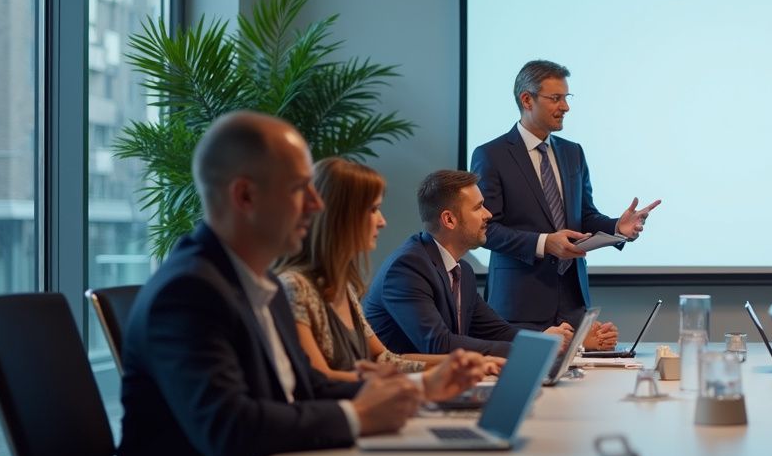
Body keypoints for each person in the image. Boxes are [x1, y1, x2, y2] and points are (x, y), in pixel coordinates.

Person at [114, 112, 487, 456]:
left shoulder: (257, 285)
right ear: (245, 196)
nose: (315, 203)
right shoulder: (189, 292)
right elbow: (231, 430)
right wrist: (357, 417)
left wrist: (412, 390)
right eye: (299, 188)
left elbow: (306, 387)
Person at [470, 59, 659, 349]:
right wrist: (545, 243)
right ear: (527, 100)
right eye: (556, 98)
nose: (566, 107)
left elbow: (583, 216)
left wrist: (617, 228)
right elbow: (486, 230)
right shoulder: (491, 155)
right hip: (519, 306)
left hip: (573, 304)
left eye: (566, 98)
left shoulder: (573, 153)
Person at [278, 158, 504, 382]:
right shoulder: (295, 287)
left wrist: (470, 362)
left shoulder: (344, 286)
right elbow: (320, 379)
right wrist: (423, 385)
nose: (382, 221)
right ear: (340, 217)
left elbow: (383, 359)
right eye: (373, 209)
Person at [363, 169, 574, 357]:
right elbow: (438, 344)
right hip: (403, 392)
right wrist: (531, 349)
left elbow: (498, 331)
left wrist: (544, 340)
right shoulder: (407, 268)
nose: (488, 214)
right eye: (479, 207)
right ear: (449, 220)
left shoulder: (461, 270)